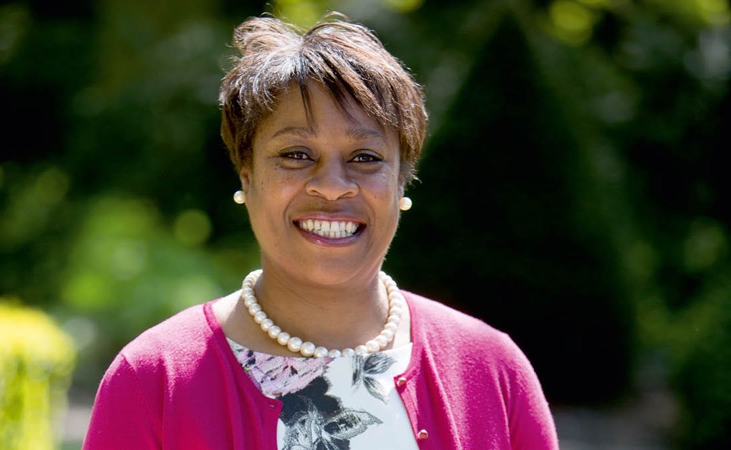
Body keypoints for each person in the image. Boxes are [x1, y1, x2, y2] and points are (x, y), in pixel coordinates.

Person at [83, 12, 558, 450]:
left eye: (365, 158)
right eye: (296, 154)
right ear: (247, 177)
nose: (332, 186)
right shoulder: (153, 380)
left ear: (401, 183)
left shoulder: (494, 371)